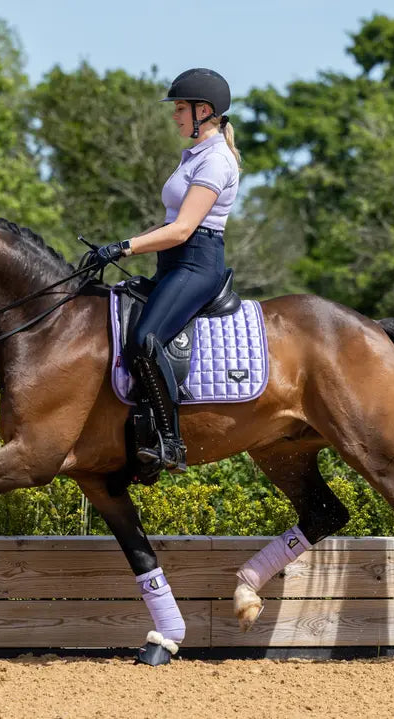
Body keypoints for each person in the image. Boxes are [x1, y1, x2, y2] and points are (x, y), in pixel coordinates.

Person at [85, 68, 241, 475]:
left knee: (145, 338)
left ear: (203, 111)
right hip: (174, 262)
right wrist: (117, 248)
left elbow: (185, 229)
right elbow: (169, 223)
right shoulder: (194, 156)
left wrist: (124, 247)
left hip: (197, 263)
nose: (174, 116)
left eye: (179, 109)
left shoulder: (217, 161)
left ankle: (170, 443)